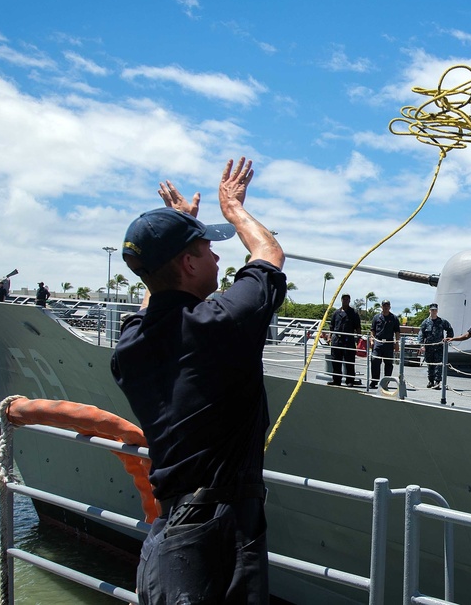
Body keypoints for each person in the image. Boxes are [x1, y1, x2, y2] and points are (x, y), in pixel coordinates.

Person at [110, 157, 286, 604]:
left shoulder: (129, 345)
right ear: (188, 264)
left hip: (167, 541)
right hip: (217, 545)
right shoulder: (222, 323)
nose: (217, 256)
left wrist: (175, 231)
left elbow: (154, 295)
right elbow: (269, 254)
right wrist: (234, 209)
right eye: (207, 249)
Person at [328, 293, 362, 386]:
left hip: (348, 340)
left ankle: (350, 380)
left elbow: (358, 327)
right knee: (336, 361)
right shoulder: (336, 313)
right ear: (341, 300)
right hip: (337, 340)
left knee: (349, 361)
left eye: (347, 299)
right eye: (344, 299)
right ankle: (336, 380)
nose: (345, 300)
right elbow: (332, 326)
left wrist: (359, 338)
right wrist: (329, 337)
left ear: (349, 300)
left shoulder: (354, 313)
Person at [418, 303, 453, 389]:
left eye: (435, 310)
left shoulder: (442, 321)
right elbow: (421, 334)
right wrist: (422, 345)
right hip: (429, 347)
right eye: (432, 310)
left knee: (438, 365)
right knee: (430, 364)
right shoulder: (425, 322)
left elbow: (449, 329)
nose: (433, 311)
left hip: (439, 347)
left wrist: (448, 339)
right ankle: (431, 381)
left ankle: (437, 382)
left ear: (437, 311)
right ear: (429, 311)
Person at [369, 300, 401, 387]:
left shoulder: (394, 318)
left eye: (387, 306)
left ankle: (386, 382)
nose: (386, 307)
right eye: (384, 306)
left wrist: (397, 343)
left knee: (388, 363)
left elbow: (397, 332)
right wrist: (372, 340)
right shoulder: (376, 317)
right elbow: (373, 330)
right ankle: (374, 381)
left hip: (388, 343)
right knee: (375, 360)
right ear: (381, 307)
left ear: (390, 307)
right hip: (378, 342)